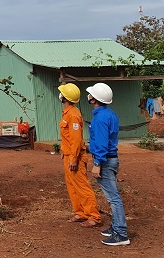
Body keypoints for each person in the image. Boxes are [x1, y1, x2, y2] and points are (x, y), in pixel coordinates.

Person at [86, 82, 131, 246]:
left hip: (105, 160)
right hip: (112, 158)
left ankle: (121, 233)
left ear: (94, 99)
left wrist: (97, 162)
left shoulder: (100, 118)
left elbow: (102, 143)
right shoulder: (110, 114)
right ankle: (116, 227)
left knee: (113, 198)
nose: (88, 96)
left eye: (90, 94)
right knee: (113, 196)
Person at [58, 83, 102, 228]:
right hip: (68, 154)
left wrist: (73, 158)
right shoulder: (67, 113)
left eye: (61, 93)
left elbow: (76, 139)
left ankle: (94, 216)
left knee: (82, 187)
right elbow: (67, 137)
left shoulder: (73, 115)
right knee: (72, 186)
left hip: (74, 156)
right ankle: (81, 213)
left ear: (64, 97)